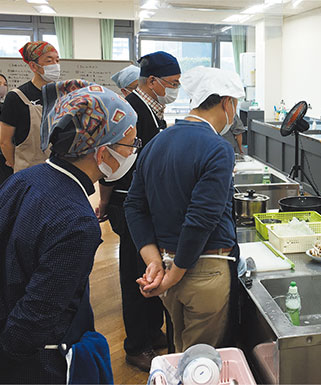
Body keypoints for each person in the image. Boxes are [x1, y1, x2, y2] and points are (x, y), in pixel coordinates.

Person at [0, 79, 138, 383]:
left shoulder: (26, 179)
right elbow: (38, 312)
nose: (134, 152)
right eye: (130, 144)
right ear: (101, 151)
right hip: (36, 362)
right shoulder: (77, 221)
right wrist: (9, 360)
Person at [124, 66, 244, 353]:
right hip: (203, 272)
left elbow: (133, 206)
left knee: (179, 352)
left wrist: (154, 262)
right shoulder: (217, 148)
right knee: (200, 363)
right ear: (227, 102)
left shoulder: (156, 143)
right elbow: (200, 220)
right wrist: (174, 274)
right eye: (235, 105)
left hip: (167, 264)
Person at [96, 51, 180, 371]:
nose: (175, 89)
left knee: (150, 268)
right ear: (153, 81)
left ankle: (151, 330)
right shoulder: (130, 111)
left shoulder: (154, 110)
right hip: (128, 203)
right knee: (135, 273)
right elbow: (109, 165)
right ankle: (135, 346)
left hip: (148, 204)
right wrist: (104, 202)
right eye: (172, 83)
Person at [0, 41, 59, 173]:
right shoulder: (17, 97)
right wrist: (18, 168)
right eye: (49, 61)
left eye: (57, 60)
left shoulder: (61, 95)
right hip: (28, 172)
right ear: (33, 66)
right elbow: (4, 142)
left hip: (59, 172)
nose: (55, 65)